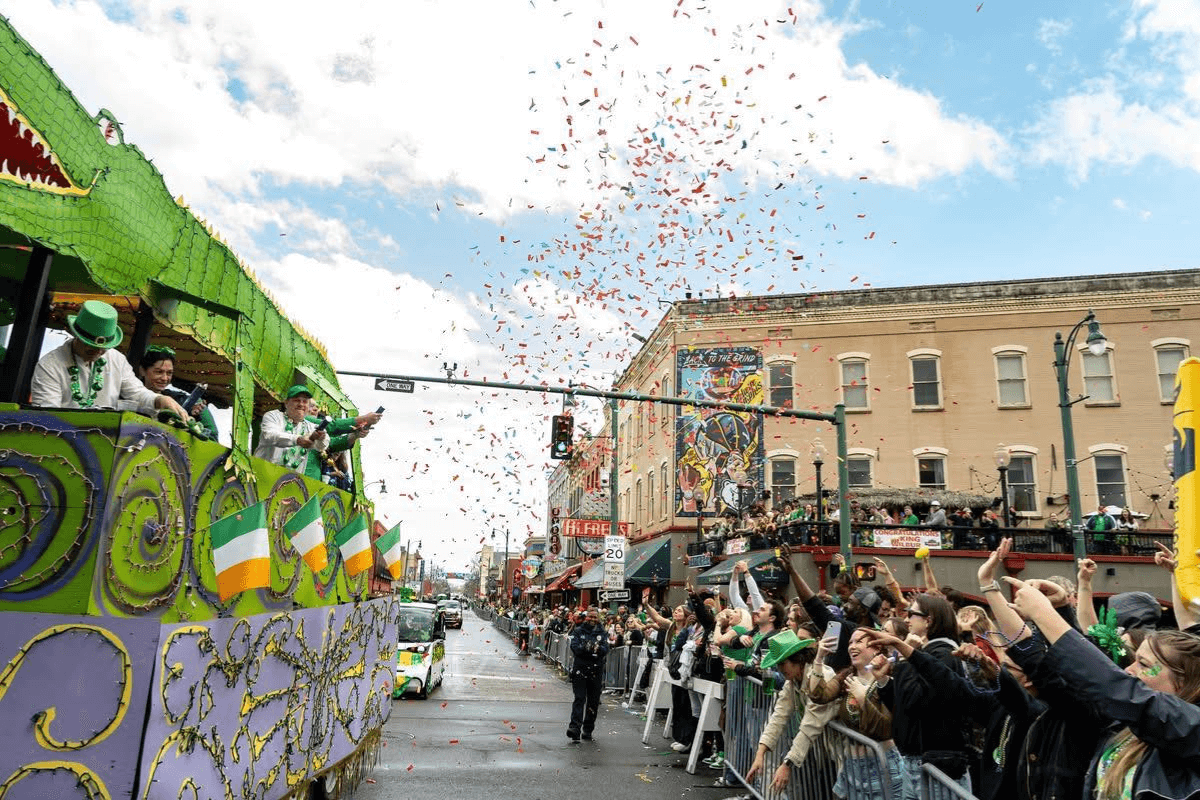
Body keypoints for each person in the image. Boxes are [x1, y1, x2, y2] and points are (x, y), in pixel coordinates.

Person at [30, 299, 187, 419]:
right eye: (90, 346)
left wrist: (160, 400)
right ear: (77, 336)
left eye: (104, 347)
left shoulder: (116, 359)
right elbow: (47, 417)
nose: (98, 351)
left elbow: (137, 393)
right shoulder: (50, 365)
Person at [254, 384, 381, 480]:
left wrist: (321, 437)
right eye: (297, 400)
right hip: (263, 476)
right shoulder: (274, 416)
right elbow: (270, 435)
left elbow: (324, 445)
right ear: (286, 403)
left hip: (291, 483)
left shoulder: (309, 425)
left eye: (305, 402)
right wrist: (298, 440)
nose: (301, 404)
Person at [135, 344, 218, 440]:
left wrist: (193, 418)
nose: (165, 378)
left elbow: (212, 438)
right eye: (159, 372)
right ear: (142, 371)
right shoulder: (127, 396)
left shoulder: (180, 399)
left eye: (169, 373)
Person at [567, 607, 609, 742]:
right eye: (590, 617)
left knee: (593, 702)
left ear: (598, 619)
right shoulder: (578, 631)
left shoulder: (602, 633)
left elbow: (604, 649)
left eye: (595, 617)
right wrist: (589, 648)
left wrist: (594, 648)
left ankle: (588, 730)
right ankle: (574, 729)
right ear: (586, 617)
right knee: (579, 699)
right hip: (580, 670)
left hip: (596, 671)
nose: (592, 619)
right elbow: (575, 648)